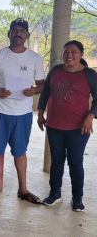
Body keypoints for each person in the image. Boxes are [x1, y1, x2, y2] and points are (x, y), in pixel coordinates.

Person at [0, 18, 45, 204]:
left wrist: (34, 91)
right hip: (0, 112)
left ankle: (22, 189)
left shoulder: (34, 58)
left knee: (20, 152)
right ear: (9, 34)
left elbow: (42, 85)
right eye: (14, 30)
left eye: (21, 30)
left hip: (23, 114)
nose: (17, 33)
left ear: (27, 35)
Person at [38, 40, 97, 212]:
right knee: (56, 161)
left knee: (75, 162)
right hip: (54, 125)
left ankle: (77, 198)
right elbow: (46, 92)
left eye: (74, 52)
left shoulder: (90, 75)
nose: (69, 55)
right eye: (66, 51)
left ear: (81, 54)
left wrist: (91, 116)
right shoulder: (55, 70)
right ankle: (55, 194)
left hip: (79, 128)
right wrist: (41, 113)